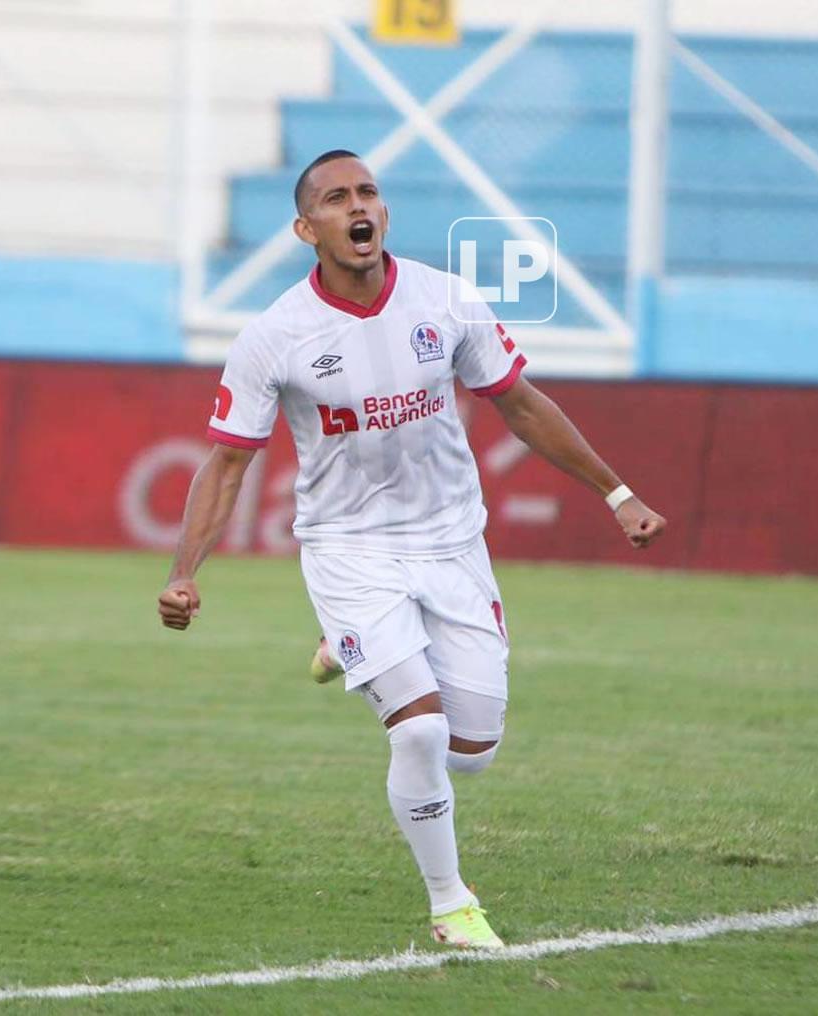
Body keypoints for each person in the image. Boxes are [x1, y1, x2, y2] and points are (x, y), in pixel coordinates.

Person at [158, 149, 667, 949]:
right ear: (306, 227)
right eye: (335, 197)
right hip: (348, 549)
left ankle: (348, 651)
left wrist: (617, 491)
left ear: (383, 214)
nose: (357, 206)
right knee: (419, 732)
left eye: (368, 192)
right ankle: (452, 905)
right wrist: (185, 574)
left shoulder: (447, 300)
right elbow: (228, 461)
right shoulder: (275, 337)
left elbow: (522, 406)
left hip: (450, 542)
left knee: (471, 750)